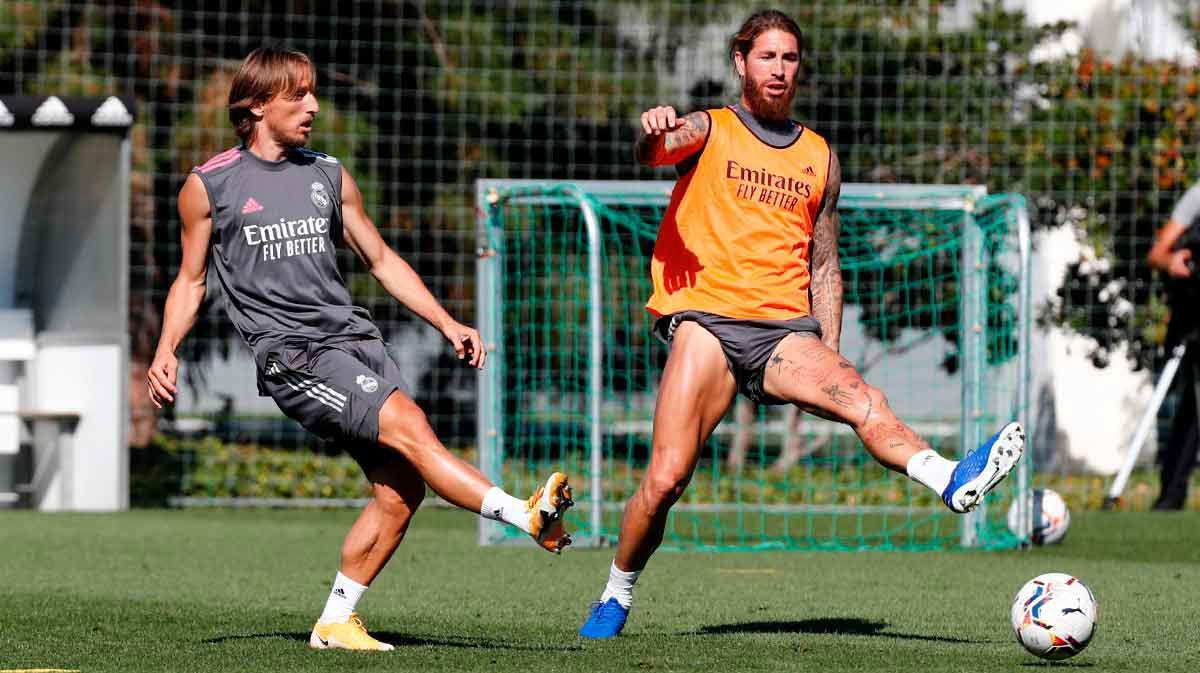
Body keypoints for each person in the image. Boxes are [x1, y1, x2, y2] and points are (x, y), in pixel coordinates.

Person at [578, 9, 1025, 639]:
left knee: (864, 398)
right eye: (767, 57)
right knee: (666, 479)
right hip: (706, 318)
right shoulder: (712, 129)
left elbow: (824, 263)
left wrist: (828, 353)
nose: (779, 70)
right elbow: (656, 149)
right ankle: (616, 591)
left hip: (784, 330)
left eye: (789, 59)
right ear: (741, 63)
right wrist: (653, 130)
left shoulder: (820, 157)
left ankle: (948, 478)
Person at [145, 46, 573, 652]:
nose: (313, 107)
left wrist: (447, 321)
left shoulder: (328, 174)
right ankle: (521, 515)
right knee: (412, 426)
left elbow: (380, 259)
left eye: (314, 93)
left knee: (400, 491)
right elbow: (191, 281)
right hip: (292, 355)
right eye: (298, 95)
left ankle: (335, 622)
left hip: (354, 343)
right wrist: (166, 348)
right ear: (260, 104)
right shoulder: (209, 185)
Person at [1147, 183, 1200, 510]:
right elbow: (1157, 253)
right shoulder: (1197, 196)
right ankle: (1171, 494)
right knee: (1190, 407)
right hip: (1194, 317)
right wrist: (1171, 262)